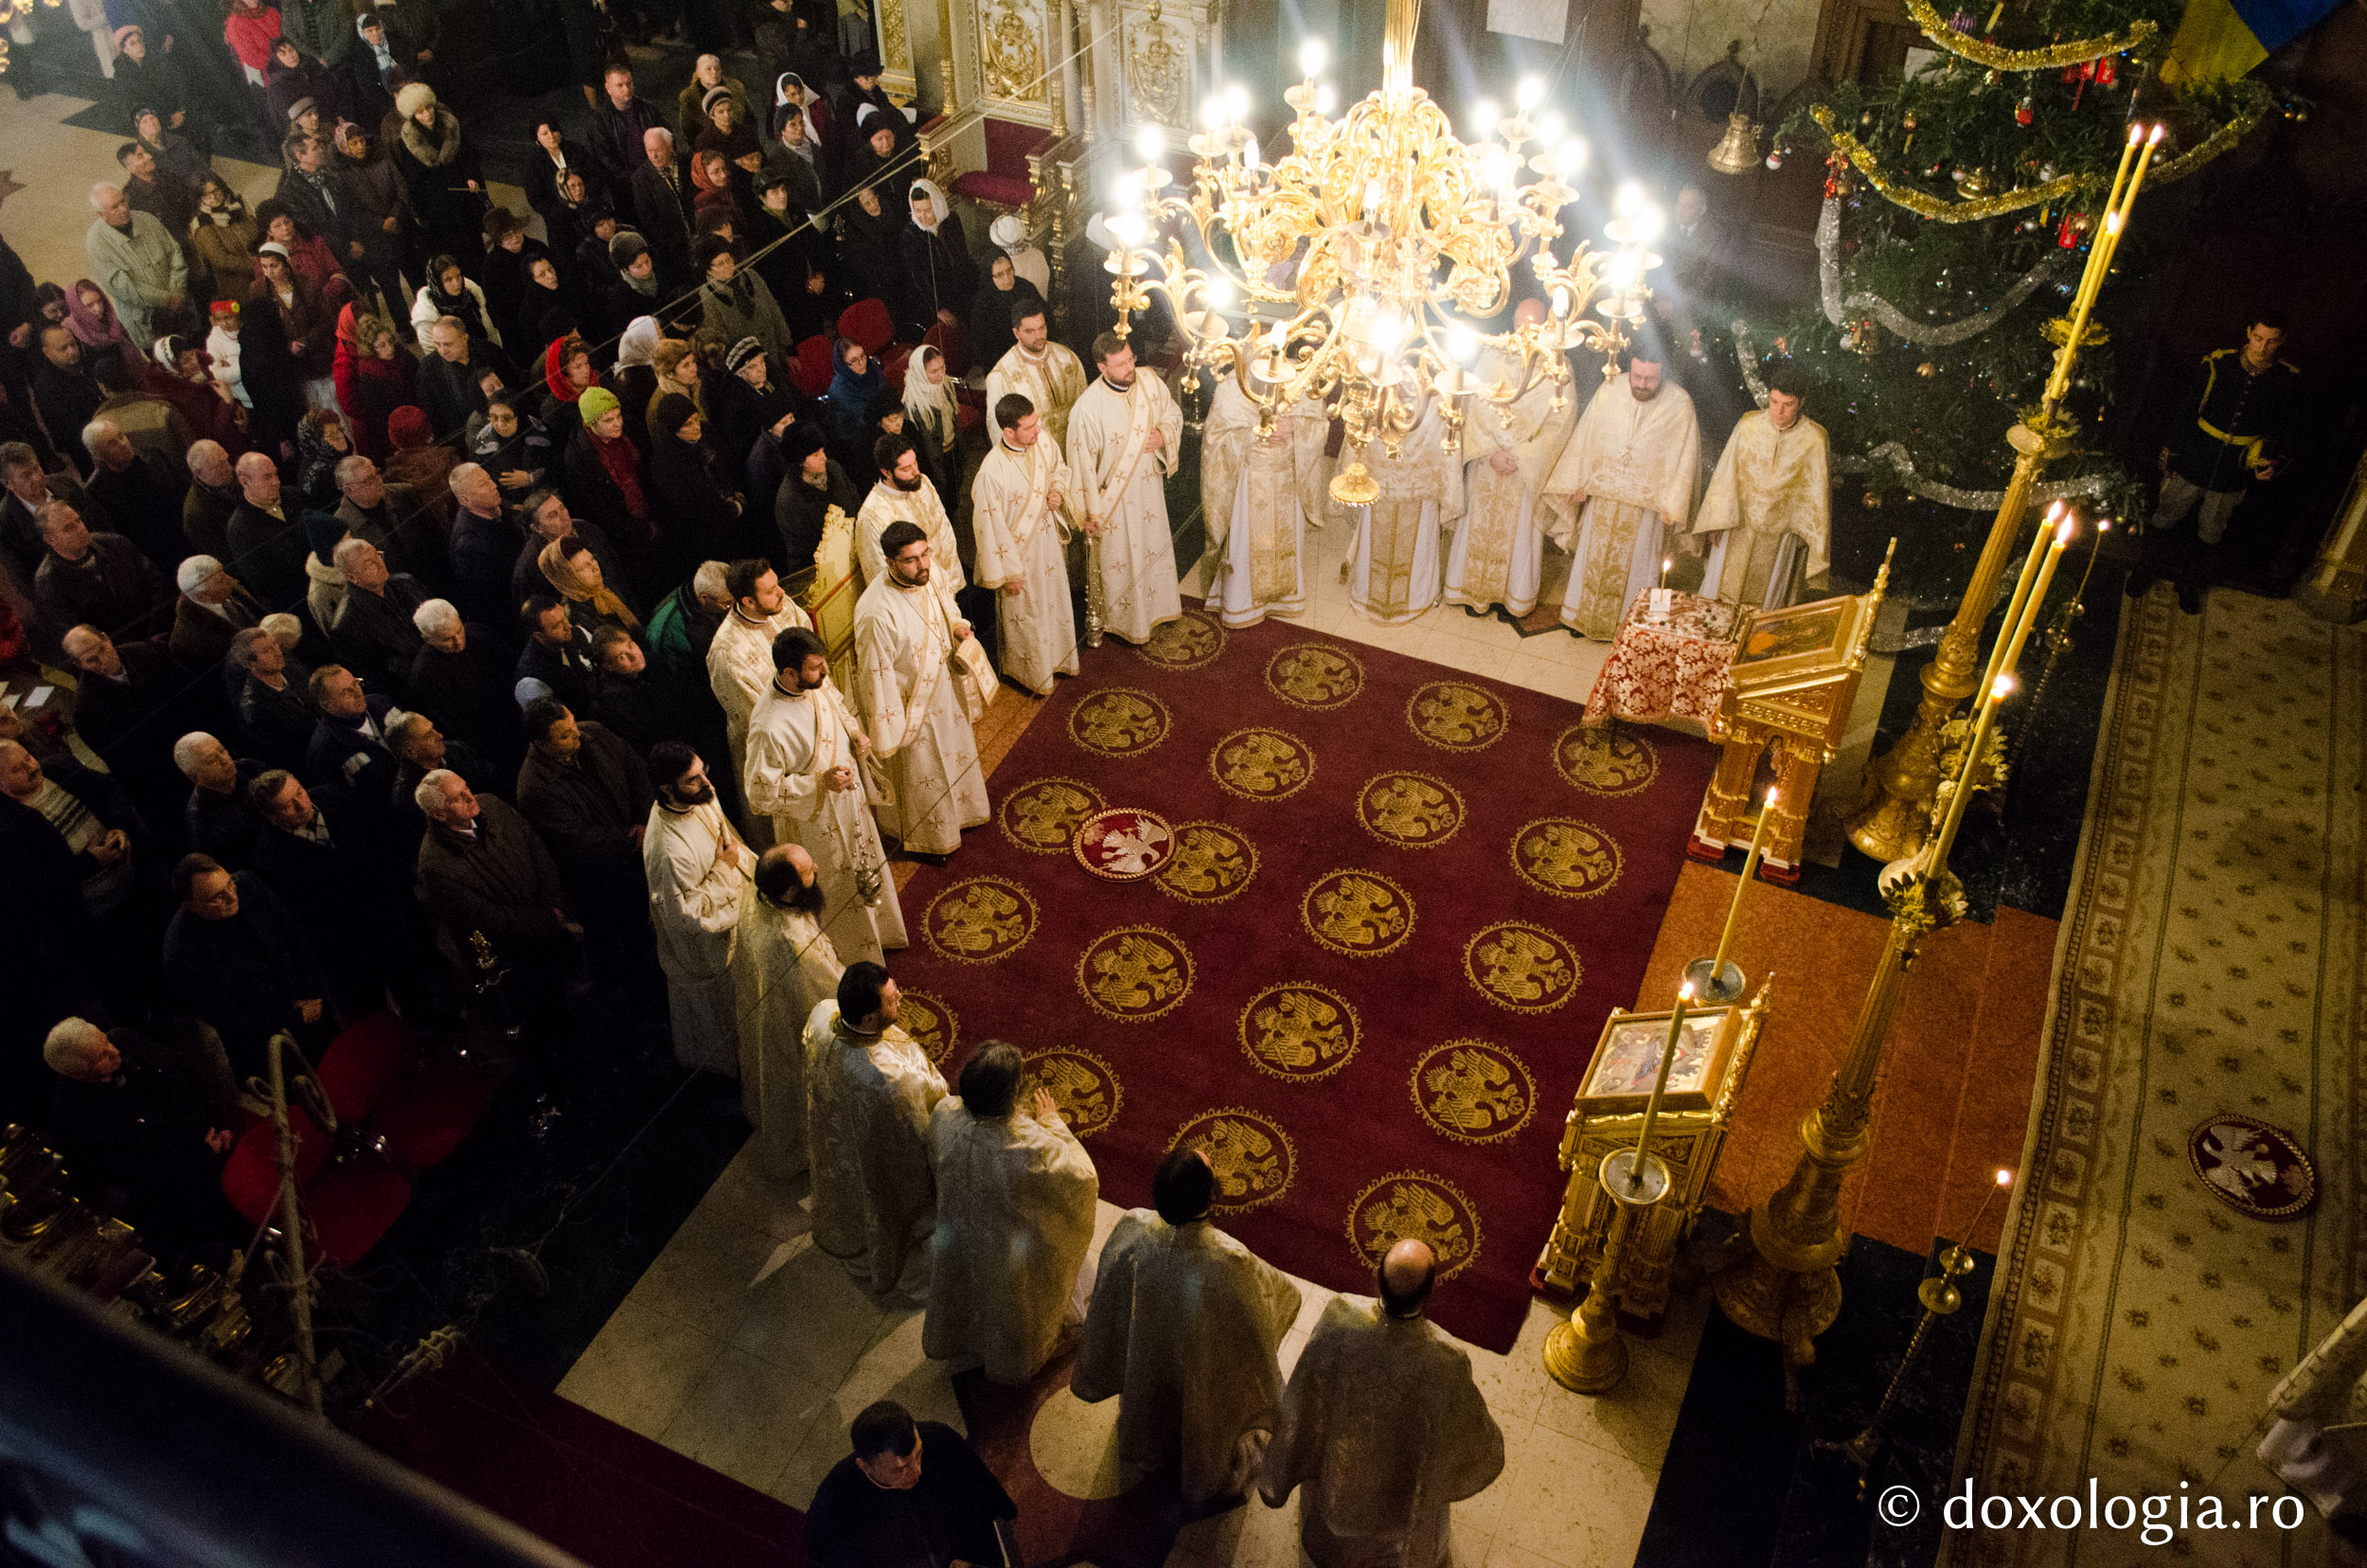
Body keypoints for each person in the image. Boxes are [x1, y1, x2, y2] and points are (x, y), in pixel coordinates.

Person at [1074, 1145, 1302, 1504]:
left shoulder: (1133, 1225)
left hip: (1149, 1357)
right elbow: (1276, 1300)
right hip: (1201, 1364)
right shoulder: (1231, 1259)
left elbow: (1108, 1295)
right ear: (1209, 1195)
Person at [1261, 1240, 1506, 1567]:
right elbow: (1471, 1439)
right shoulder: (1445, 1360)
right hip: (1398, 1503)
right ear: (1428, 1293)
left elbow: (1305, 1395)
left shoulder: (1340, 1316)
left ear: (1377, 1276)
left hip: (1338, 1481)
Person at [923, 1042, 1097, 1384]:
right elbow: (1083, 1178)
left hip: (958, 1232)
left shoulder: (945, 1113)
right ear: (1010, 1095)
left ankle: (962, 1338)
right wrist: (1051, 1122)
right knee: (1013, 1302)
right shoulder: (1031, 1146)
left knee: (963, 1285)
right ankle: (1013, 1358)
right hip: (1008, 1248)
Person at [741, 624, 907, 964]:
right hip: (815, 824)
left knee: (866, 863)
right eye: (817, 668)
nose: (825, 672)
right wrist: (818, 784)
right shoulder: (768, 727)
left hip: (850, 803)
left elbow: (836, 707)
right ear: (789, 673)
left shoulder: (815, 683)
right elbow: (760, 795)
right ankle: (854, 958)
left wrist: (855, 732)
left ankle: (882, 935)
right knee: (838, 887)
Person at [2138, 310, 2305, 613]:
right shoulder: (2219, 363)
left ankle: (2190, 581)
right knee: (2167, 513)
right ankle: (2144, 568)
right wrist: (2173, 453)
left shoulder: (2286, 379)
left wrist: (2272, 462)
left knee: (2212, 529)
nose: (2263, 347)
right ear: (2248, 332)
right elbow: (2188, 410)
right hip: (2196, 455)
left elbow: (2286, 426)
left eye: (2271, 342)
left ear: (2281, 342)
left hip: (2235, 467)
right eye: (2258, 338)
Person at [802, 961, 946, 1298]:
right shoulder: (889, 1078)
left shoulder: (824, 1015)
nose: (901, 1000)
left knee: (851, 1199)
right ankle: (909, 1277)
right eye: (892, 999)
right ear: (868, 1018)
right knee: (896, 1210)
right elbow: (922, 1123)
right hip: (878, 1153)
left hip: (835, 1140)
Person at [1544, 332, 1700, 638]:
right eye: (1638, 375)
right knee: (1593, 556)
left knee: (1640, 567)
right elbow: (1589, 435)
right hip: (1604, 499)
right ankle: (1580, 618)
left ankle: (1630, 629)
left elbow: (1685, 459)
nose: (1641, 384)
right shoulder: (1612, 388)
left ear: (1663, 373)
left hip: (1646, 511)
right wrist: (1579, 481)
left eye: (1650, 379)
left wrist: (1674, 503)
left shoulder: (1680, 403)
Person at [854, 523, 989, 860]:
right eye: (911, 560)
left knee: (956, 753)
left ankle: (965, 813)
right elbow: (875, 679)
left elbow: (949, 608)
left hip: (946, 687)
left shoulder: (931, 574)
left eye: (924, 554)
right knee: (924, 772)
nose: (923, 564)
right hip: (912, 708)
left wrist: (958, 628)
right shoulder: (877, 613)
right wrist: (890, 733)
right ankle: (930, 840)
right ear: (889, 562)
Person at [44, 1018, 237, 1252]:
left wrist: (220, 1122)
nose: (114, 1050)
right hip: (180, 1180)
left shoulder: (122, 1038)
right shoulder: (77, 1115)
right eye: (102, 1057)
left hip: (211, 1135)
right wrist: (201, 1156)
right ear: (79, 1074)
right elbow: (135, 1173)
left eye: (104, 1039)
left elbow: (186, 1073)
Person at [1447, 299, 1579, 619]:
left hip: (1525, 469)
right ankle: (1471, 593)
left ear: (1548, 326)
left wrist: (1521, 456)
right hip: (1486, 462)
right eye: (1521, 326)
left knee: (1520, 536)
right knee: (1478, 526)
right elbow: (1474, 404)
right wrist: (1491, 453)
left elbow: (1560, 422)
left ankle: (1513, 599)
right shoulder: (1493, 353)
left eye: (1533, 328)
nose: (1525, 334)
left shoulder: (1558, 367)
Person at [515, 698, 654, 981]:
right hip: (599, 877)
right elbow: (575, 839)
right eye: (565, 735)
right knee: (611, 940)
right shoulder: (535, 787)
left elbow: (635, 769)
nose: (576, 734)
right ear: (541, 744)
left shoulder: (594, 733)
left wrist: (643, 820)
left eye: (573, 724)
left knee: (642, 926)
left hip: (636, 846)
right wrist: (632, 837)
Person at [160, 853, 327, 1078]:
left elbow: (293, 934)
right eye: (217, 897)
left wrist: (312, 991)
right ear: (190, 905)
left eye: (229, 883)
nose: (231, 896)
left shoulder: (246, 883)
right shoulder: (181, 954)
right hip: (270, 1041)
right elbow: (229, 1020)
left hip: (308, 1002)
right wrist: (296, 1018)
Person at [1065, 332, 1183, 646]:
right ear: (1102, 367)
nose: (1131, 368)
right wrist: (1088, 513)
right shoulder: (1087, 409)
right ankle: (1126, 622)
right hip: (1113, 505)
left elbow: (1173, 413)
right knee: (1122, 561)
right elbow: (1081, 467)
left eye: (1131, 359)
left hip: (1149, 494)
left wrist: (1162, 435)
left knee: (1152, 548)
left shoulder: (1148, 381)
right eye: (1121, 364)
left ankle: (1160, 607)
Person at [734, 838, 843, 1172]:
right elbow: (826, 988)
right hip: (791, 1018)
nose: (817, 870)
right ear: (791, 893)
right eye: (810, 871)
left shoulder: (761, 895)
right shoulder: (790, 941)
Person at [643, 742, 750, 1075]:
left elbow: (723, 837)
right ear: (667, 788)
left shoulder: (698, 796)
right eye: (693, 779)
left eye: (704, 771)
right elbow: (684, 916)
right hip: (704, 947)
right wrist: (723, 870)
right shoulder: (668, 850)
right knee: (723, 1019)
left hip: (732, 905)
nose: (706, 783)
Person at [805, 1401, 1017, 1568]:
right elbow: (829, 1555)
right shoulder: (836, 1498)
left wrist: (970, 1557)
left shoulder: (940, 1439)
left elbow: (979, 1498)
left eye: (919, 1455)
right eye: (899, 1469)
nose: (917, 1471)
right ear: (865, 1466)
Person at [1691, 364, 1832, 610]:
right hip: (1738, 524)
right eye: (1774, 401)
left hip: (1781, 534)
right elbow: (1726, 475)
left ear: (1801, 403)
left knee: (1766, 599)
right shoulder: (1749, 425)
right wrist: (1717, 521)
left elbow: (1816, 495)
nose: (1778, 411)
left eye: (1788, 404)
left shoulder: (1815, 439)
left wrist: (1805, 535)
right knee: (1721, 592)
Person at [413, 766, 578, 974]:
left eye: (466, 788)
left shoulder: (491, 805)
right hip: (516, 949)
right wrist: (545, 920)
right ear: (440, 814)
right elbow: (484, 916)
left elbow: (534, 845)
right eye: (457, 798)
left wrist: (553, 902)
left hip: (550, 915)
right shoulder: (435, 865)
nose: (470, 798)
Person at [970, 394, 1077, 694]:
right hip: (1019, 560)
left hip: (1047, 545)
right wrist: (1009, 574)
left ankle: (1059, 660)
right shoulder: (992, 472)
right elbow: (989, 529)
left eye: (1036, 423)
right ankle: (1032, 675)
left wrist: (1056, 489)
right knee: (1026, 615)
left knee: (1053, 602)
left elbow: (1059, 467)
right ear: (1008, 432)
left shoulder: (1041, 442)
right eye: (1028, 427)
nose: (1038, 431)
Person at [1201, 377, 1326, 631]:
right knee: (1245, 543)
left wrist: (1294, 426)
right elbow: (1215, 436)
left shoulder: (1301, 382)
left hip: (1286, 477)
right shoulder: (1231, 387)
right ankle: (1240, 603)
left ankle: (1285, 599)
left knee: (1286, 539)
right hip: (1248, 480)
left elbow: (1319, 424)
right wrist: (1254, 431)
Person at [1326, 394, 1463, 627]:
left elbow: (1447, 439)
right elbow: (1360, 426)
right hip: (1382, 486)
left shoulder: (1439, 401)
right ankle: (1374, 595)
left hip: (1417, 493)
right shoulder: (1378, 393)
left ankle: (1416, 599)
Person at [705, 556, 811, 808]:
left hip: (810, 719)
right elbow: (756, 716)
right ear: (748, 601)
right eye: (771, 590)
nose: (782, 593)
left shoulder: (780, 605)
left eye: (777, 584)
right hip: (777, 747)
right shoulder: (727, 653)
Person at [32, 501, 169, 645]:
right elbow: (78, 635)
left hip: (159, 631)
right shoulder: (49, 583)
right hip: (115, 650)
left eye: (78, 521)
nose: (80, 529)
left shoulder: (115, 544)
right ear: (50, 540)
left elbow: (157, 583)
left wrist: (157, 630)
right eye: (68, 528)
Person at [407, 599, 520, 768]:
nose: (459, 642)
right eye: (447, 640)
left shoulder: (478, 632)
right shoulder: (425, 675)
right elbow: (457, 727)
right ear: (427, 639)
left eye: (459, 631)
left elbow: (512, 669)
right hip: (487, 742)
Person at [853, 433, 963, 591]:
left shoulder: (922, 483)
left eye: (915, 463)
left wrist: (953, 584)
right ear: (886, 472)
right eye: (905, 469)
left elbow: (944, 531)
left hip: (946, 584)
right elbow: (879, 574)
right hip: (914, 598)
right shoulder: (872, 517)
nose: (915, 472)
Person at [85, 183, 187, 350]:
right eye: (114, 207)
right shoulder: (96, 242)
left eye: (123, 201)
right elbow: (121, 287)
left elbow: (175, 254)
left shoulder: (147, 219)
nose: (124, 209)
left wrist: (177, 290)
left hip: (181, 310)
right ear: (102, 214)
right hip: (147, 326)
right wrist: (166, 299)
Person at [392, 83, 487, 263]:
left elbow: (470, 156)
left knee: (477, 248)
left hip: (465, 199)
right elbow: (415, 183)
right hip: (441, 213)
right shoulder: (408, 141)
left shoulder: (451, 125)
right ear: (412, 115)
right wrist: (426, 214)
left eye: (428, 107)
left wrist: (471, 176)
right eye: (420, 112)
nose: (427, 114)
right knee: (455, 257)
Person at [985, 300, 1085, 449]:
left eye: (1042, 328)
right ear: (1016, 333)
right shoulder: (1001, 376)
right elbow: (996, 428)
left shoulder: (1067, 357)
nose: (1039, 336)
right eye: (1030, 331)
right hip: (1036, 454)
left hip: (1074, 445)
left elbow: (1084, 403)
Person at [893, 180, 975, 343]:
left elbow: (963, 256)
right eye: (917, 211)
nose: (922, 217)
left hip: (957, 287)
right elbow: (918, 279)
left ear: (937, 206)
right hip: (931, 300)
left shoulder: (952, 221)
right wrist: (938, 308)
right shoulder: (910, 235)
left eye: (928, 210)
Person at [774, 423, 858, 577]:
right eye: (815, 455)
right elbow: (802, 553)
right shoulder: (789, 500)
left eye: (822, 451)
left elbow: (855, 502)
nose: (823, 458)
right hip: (827, 572)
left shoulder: (834, 470)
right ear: (800, 462)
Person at [177, 732, 267, 868]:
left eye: (221, 750)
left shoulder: (250, 767)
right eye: (212, 759)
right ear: (194, 777)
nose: (225, 760)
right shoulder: (203, 823)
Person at [230, 624, 314, 770]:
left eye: (274, 644)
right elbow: (289, 753)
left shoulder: (291, 667)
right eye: (267, 651)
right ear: (250, 663)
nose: (277, 652)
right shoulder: (255, 709)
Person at [516, 595, 602, 712]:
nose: (568, 626)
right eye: (557, 626)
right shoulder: (531, 680)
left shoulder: (576, 634)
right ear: (539, 636)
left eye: (564, 618)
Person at [968, 251, 1044, 371]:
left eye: (1009, 271)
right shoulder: (982, 307)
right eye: (999, 274)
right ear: (990, 277)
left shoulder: (1025, 287)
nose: (1007, 278)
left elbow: (1047, 318)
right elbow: (987, 351)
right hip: (1008, 365)